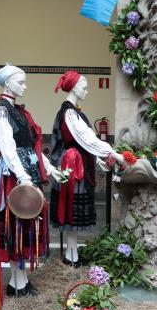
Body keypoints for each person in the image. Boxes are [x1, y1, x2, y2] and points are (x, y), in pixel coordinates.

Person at [0, 64, 65, 296]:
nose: (25, 86)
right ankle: (17, 282)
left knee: (26, 227)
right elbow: (7, 147)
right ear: (7, 83)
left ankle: (19, 281)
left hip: (26, 175)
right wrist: (22, 176)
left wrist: (51, 169)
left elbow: (32, 148)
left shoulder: (17, 111)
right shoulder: (2, 110)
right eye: (21, 82)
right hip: (14, 178)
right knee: (15, 227)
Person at [49, 71, 124, 267]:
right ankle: (70, 255)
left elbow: (86, 142)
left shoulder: (74, 112)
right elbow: (87, 139)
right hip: (73, 164)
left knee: (73, 210)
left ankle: (72, 254)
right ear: (74, 87)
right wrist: (113, 153)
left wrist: (101, 159)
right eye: (84, 87)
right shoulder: (69, 113)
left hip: (78, 161)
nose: (87, 91)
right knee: (72, 209)